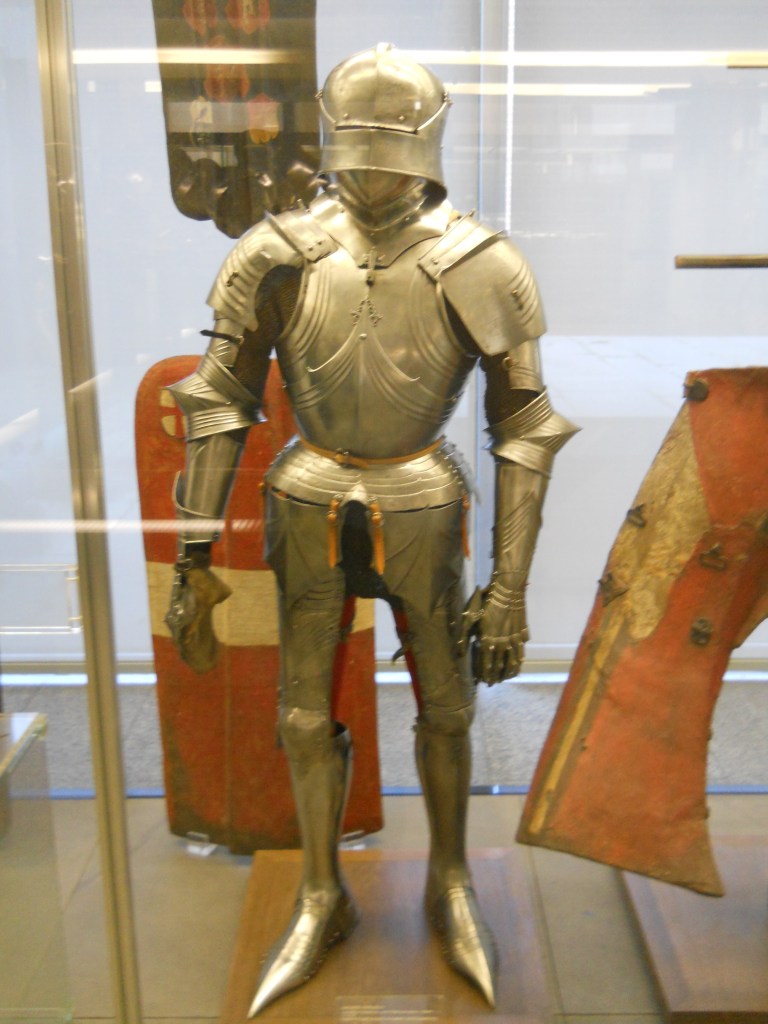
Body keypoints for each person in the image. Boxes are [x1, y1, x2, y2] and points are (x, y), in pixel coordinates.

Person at [165, 44, 577, 1015]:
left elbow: (525, 423)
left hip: (424, 496)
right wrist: (193, 556)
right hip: (308, 490)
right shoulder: (274, 249)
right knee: (303, 713)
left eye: (384, 158)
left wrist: (509, 588)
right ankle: (321, 891)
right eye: (353, 156)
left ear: (423, 151)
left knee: (448, 705)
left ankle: (450, 879)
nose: (368, 176)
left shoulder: (480, 260)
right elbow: (218, 398)